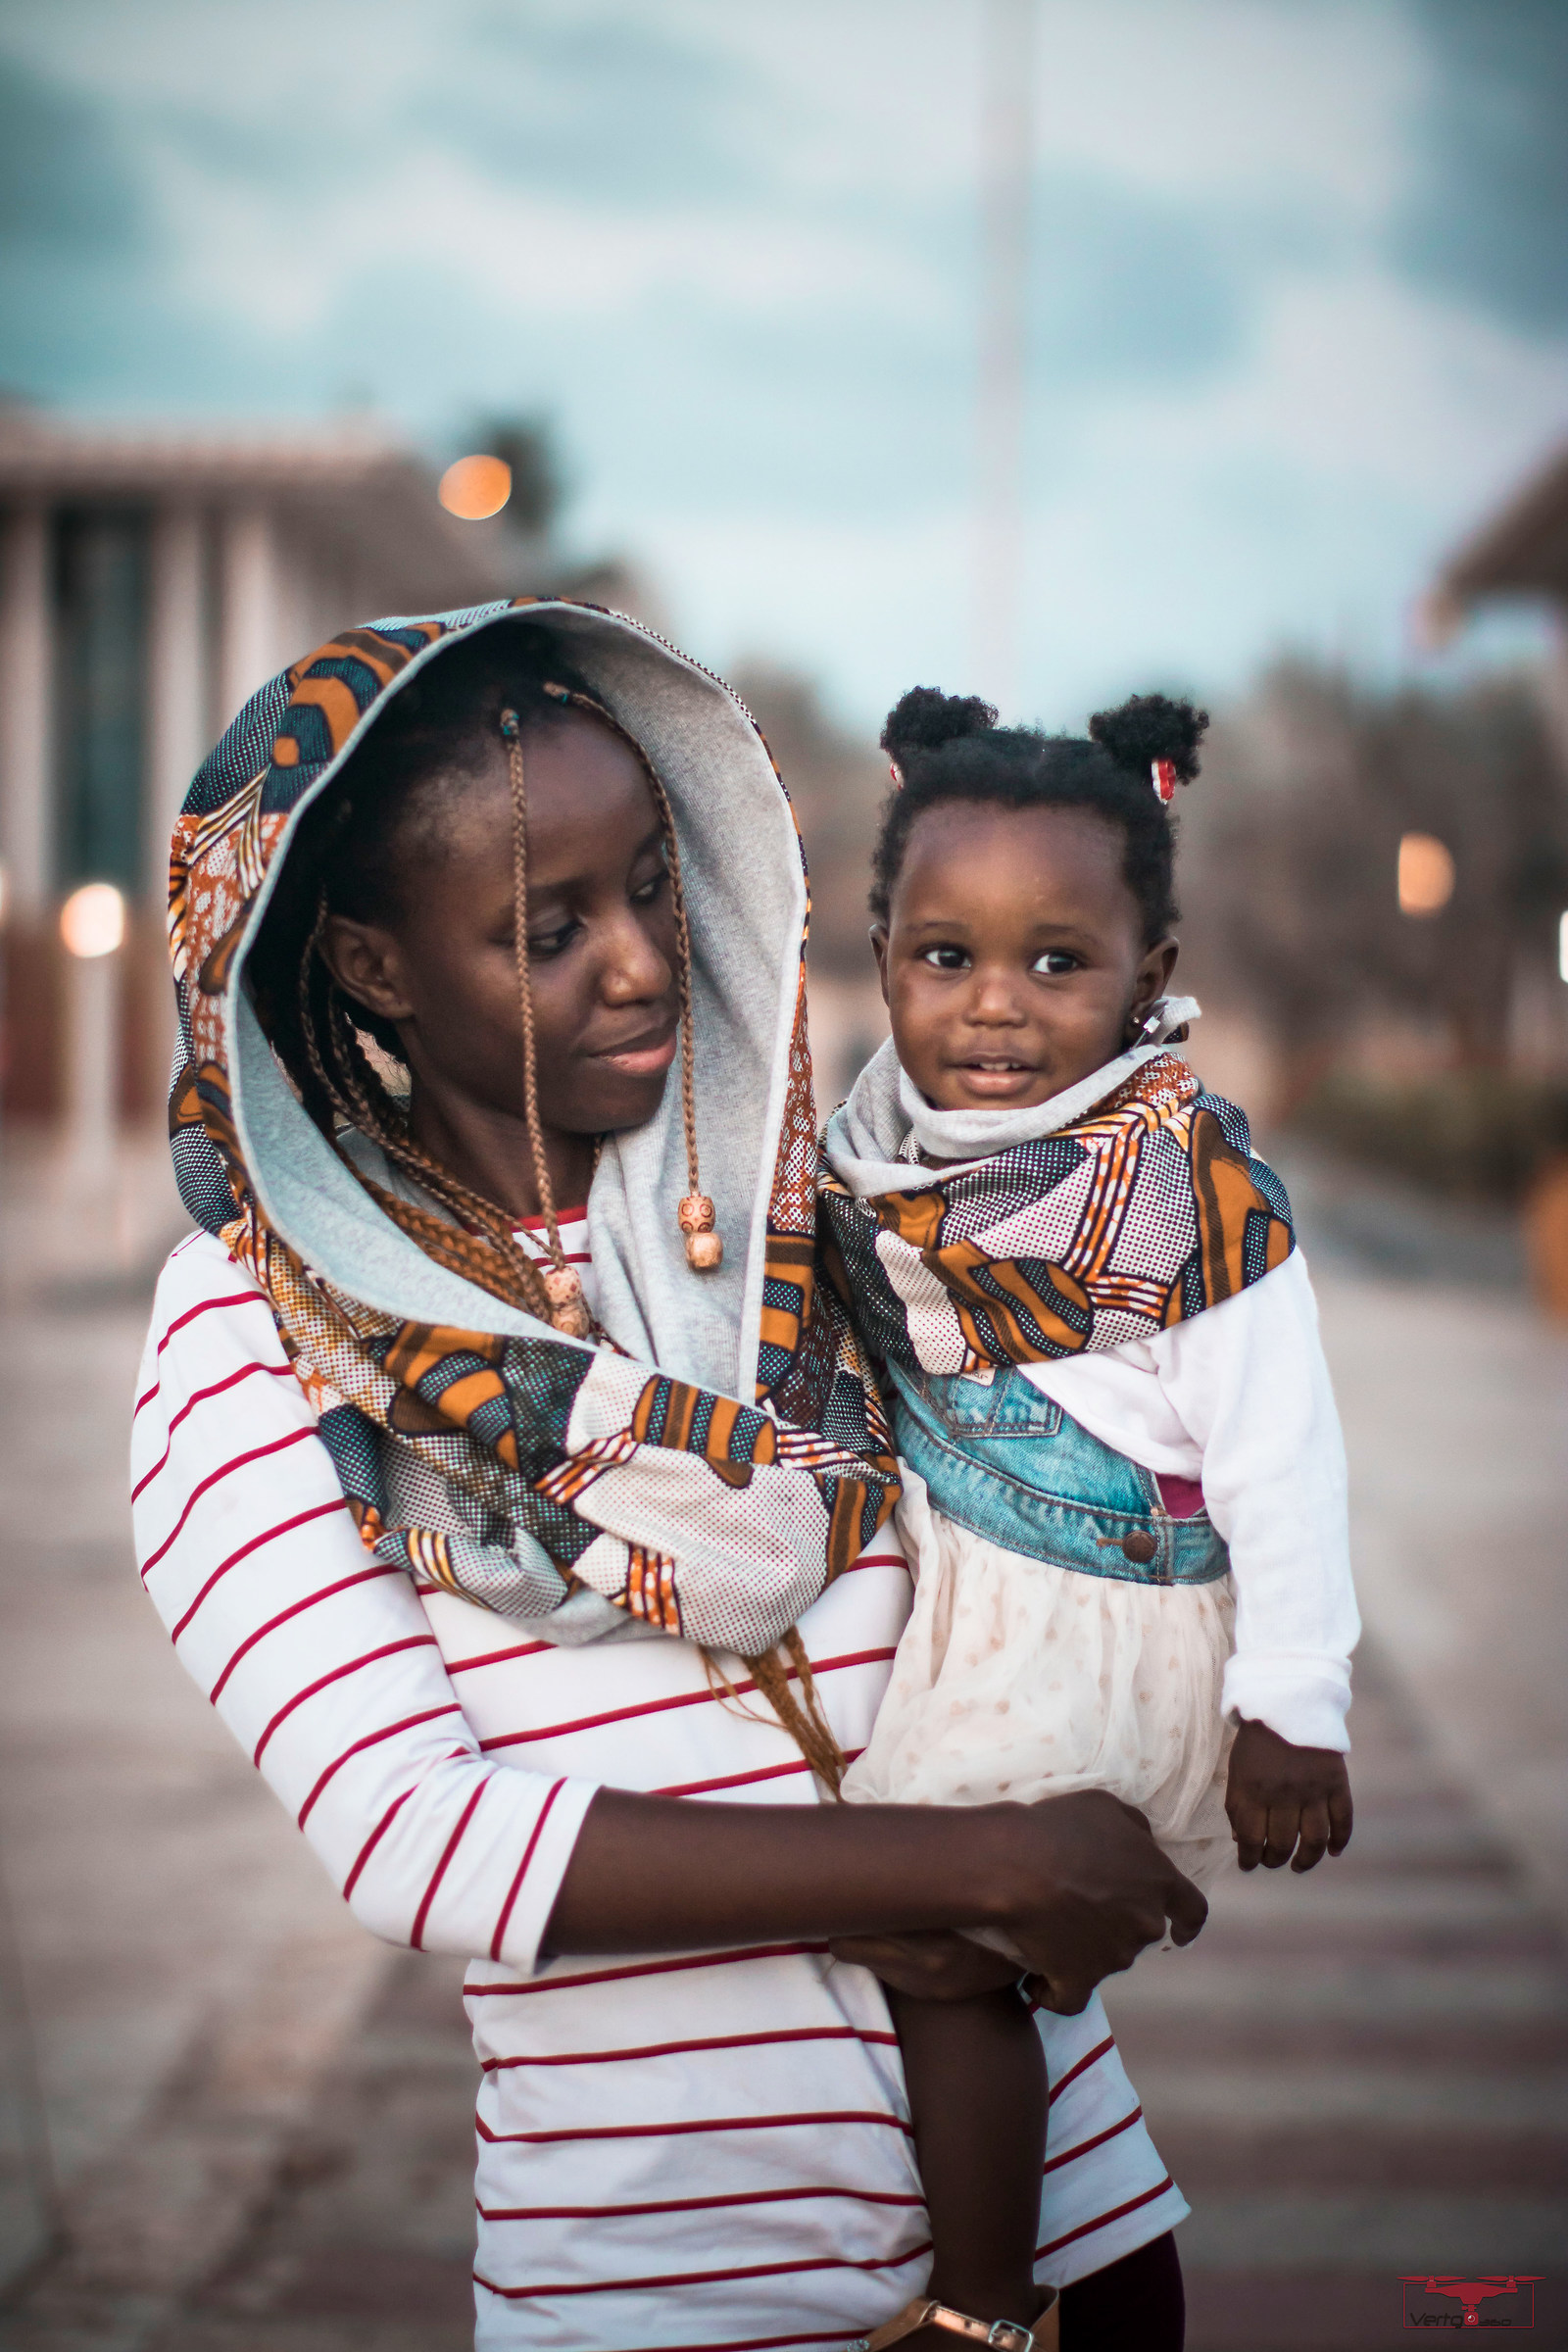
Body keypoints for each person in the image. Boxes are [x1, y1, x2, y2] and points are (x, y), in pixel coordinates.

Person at [132, 606, 1201, 2352]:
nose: (639, 959)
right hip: (672, 2282)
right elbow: (423, 1841)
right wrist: (973, 1870)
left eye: (651, 883)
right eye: (550, 928)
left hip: (1077, 2230)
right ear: (375, 965)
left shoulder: (826, 1215)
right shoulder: (259, 1335)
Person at [816, 685, 1361, 2349]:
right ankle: (1111, 2291)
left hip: (1102, 1624)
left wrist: (1296, 1710)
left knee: (937, 1938)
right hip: (982, 1605)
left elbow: (1283, 1459)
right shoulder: (876, 1159)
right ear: (882, 945)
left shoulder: (1182, 1191)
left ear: (1153, 967)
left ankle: (980, 2311)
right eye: (946, 956)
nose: (995, 1007)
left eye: (1058, 961)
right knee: (1006, 1989)